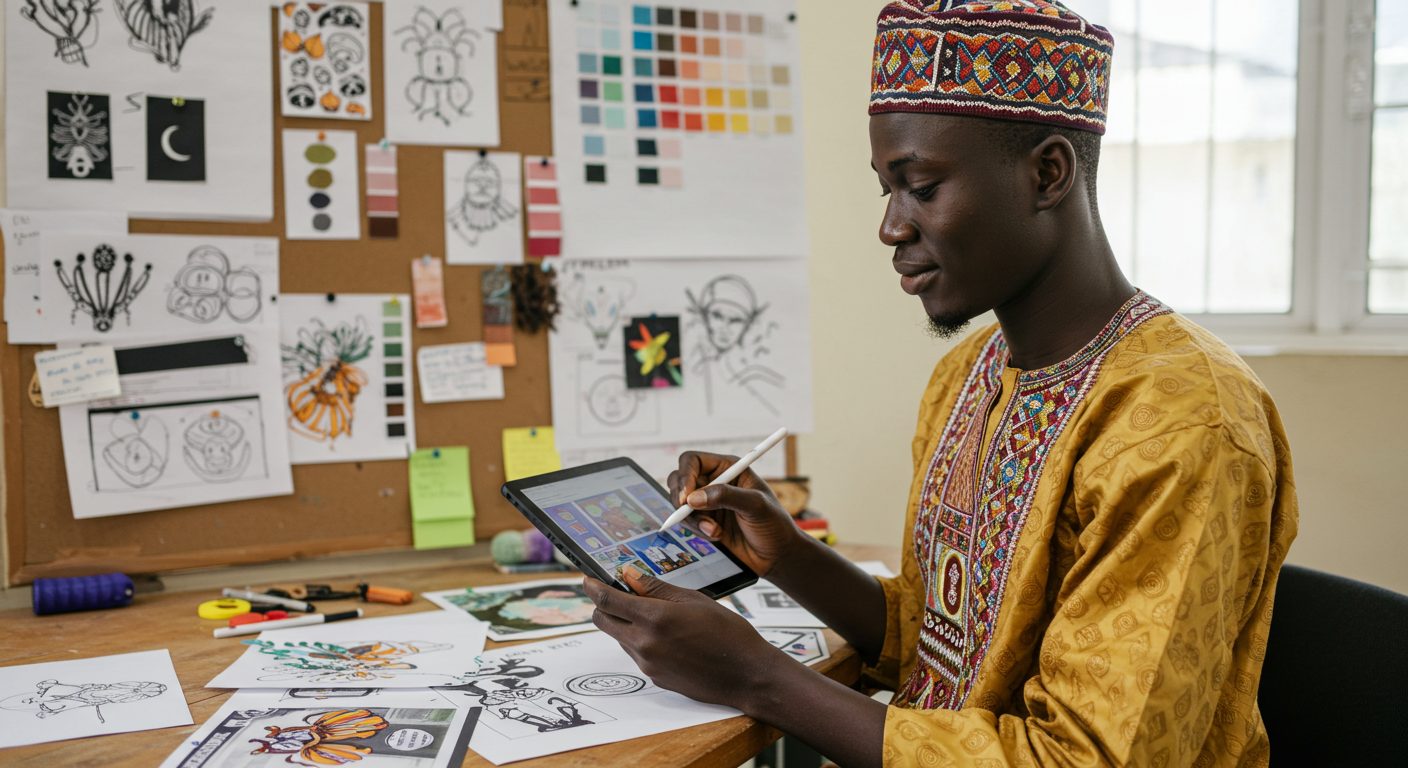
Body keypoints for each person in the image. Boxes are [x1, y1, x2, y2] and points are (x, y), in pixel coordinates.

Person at [582, 2, 1298, 766]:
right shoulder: (971, 373)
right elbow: (945, 643)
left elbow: (1088, 759)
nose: (892, 226)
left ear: (1047, 173)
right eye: (885, 191)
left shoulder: (1183, 419)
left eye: (920, 187)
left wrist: (760, 680)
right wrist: (787, 554)